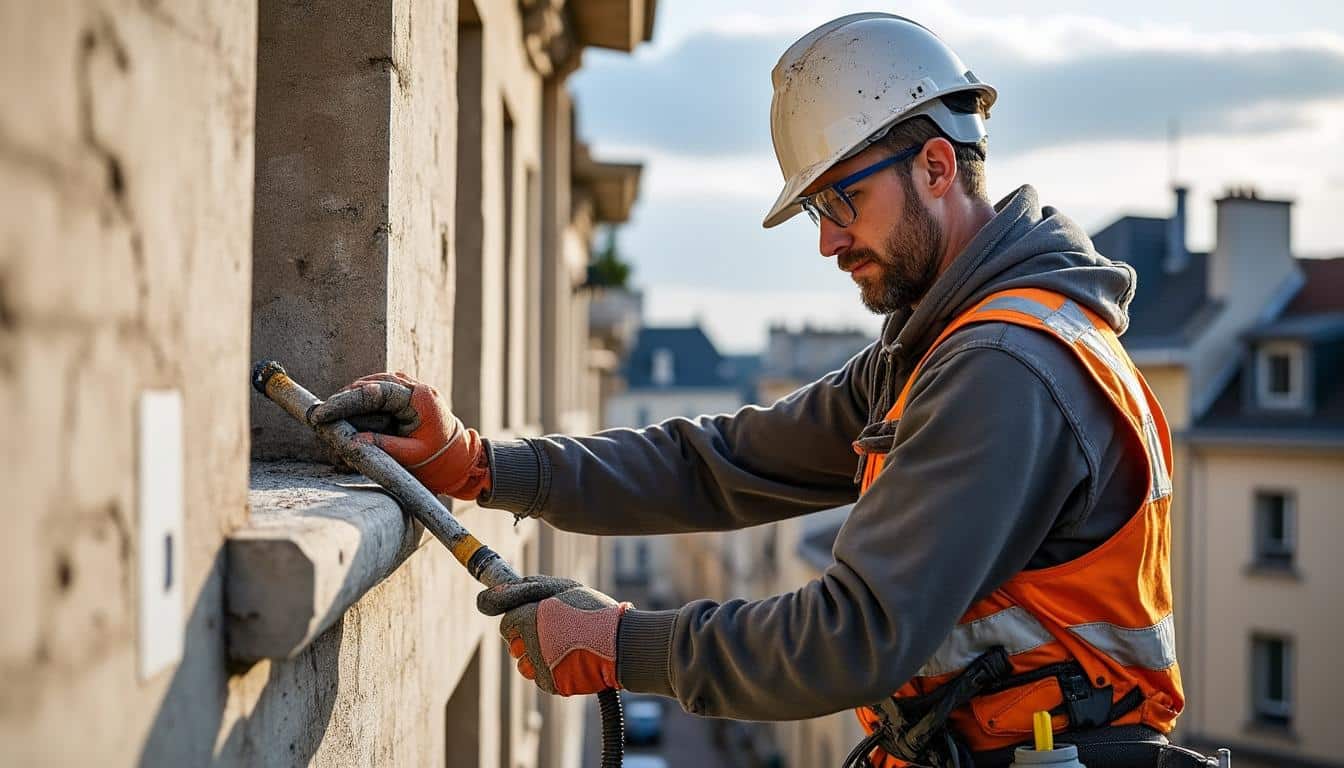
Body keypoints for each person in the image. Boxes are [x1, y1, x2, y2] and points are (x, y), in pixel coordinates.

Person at [311, 14, 1195, 768]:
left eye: (841, 203)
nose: (828, 242)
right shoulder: (939, 346)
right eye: (818, 213)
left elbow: (854, 634)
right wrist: (476, 464)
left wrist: (621, 644)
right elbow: (724, 463)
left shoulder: (1003, 367)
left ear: (935, 166)